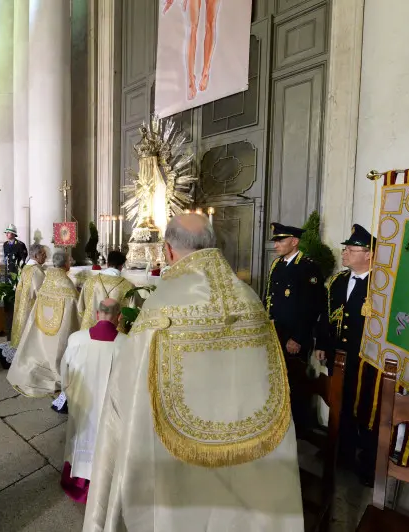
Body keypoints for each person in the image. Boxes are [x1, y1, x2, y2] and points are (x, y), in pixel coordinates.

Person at [83, 214, 303, 531]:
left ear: (169, 251)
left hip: (176, 468)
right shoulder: (250, 300)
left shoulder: (162, 307)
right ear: (212, 244)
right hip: (249, 459)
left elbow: (127, 392)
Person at [315, 224, 377, 486]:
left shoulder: (381, 285)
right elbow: (327, 315)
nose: (345, 253)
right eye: (345, 249)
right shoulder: (339, 281)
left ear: (368, 255)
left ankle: (369, 465)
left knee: (366, 411)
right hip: (338, 358)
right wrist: (322, 344)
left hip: (367, 361)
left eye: (351, 249)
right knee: (341, 406)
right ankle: (343, 455)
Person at [59, 298, 127, 503]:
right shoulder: (127, 344)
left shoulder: (76, 339)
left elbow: (65, 374)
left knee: (78, 439)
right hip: (111, 408)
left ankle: (78, 480)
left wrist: (71, 395)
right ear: (119, 317)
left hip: (82, 406)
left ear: (97, 314)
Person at [7, 251, 81, 397]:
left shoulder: (47, 280)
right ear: (66, 265)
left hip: (42, 329)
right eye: (69, 261)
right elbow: (76, 310)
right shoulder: (67, 286)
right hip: (60, 331)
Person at [265, 222, 325, 358]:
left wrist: (297, 338)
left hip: (295, 337)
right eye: (275, 241)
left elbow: (313, 307)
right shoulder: (277, 264)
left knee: (294, 376)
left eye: (280, 241)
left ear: (294, 241)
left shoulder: (308, 267)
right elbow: (270, 295)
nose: (275, 245)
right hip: (276, 331)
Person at [78, 251, 134, 332]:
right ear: (121, 266)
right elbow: (133, 314)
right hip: (115, 335)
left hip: (89, 332)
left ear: (107, 264)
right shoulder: (128, 286)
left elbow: (81, 308)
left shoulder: (90, 282)